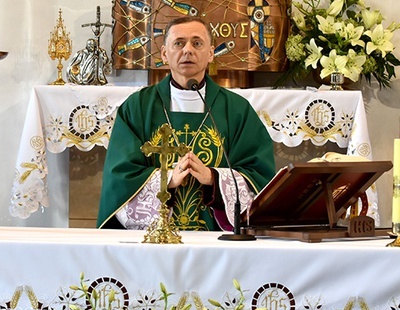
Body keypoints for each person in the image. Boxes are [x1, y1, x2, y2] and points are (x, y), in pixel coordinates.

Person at [97, 17, 275, 231]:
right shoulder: (137, 107)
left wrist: (214, 178)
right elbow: (119, 176)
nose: (187, 50)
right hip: (156, 240)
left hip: (216, 241)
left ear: (211, 53)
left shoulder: (237, 109)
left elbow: (259, 176)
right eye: (179, 43)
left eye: (197, 43)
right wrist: (167, 179)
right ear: (164, 53)